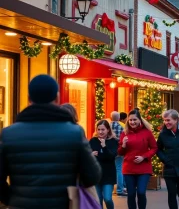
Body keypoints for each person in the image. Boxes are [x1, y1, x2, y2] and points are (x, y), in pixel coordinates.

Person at [0, 74, 102, 208]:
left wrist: (12, 199)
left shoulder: (9, 134)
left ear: (29, 99)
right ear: (58, 98)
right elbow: (93, 176)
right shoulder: (74, 133)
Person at [118, 109, 157, 209]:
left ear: (140, 120)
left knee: (141, 192)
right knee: (131, 194)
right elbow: (120, 152)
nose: (132, 122)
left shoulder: (147, 132)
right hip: (129, 169)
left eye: (134, 119)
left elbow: (154, 148)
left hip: (144, 168)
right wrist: (123, 145)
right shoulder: (124, 133)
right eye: (130, 120)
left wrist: (144, 157)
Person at [90, 120, 118, 209]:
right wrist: (90, 154)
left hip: (108, 175)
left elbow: (111, 157)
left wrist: (104, 146)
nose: (100, 132)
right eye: (98, 129)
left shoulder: (113, 141)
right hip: (96, 174)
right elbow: (86, 155)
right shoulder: (93, 141)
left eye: (103, 129)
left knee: (107, 198)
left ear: (108, 130)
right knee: (98, 200)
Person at [110, 111, 127, 196]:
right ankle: (120, 189)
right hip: (119, 150)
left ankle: (111, 189)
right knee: (119, 169)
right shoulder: (122, 126)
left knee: (110, 168)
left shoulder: (107, 126)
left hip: (109, 151)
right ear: (119, 118)